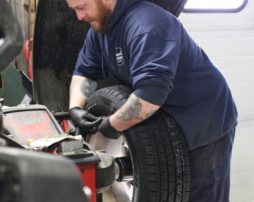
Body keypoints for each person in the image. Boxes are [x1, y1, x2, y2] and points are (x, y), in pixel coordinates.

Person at [67, 0, 238, 201]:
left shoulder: (146, 25)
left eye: (82, 7)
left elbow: (150, 95)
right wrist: (75, 108)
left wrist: (109, 126)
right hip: (164, 115)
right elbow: (85, 72)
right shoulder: (101, 28)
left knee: (200, 193)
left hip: (204, 119)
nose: (79, 17)